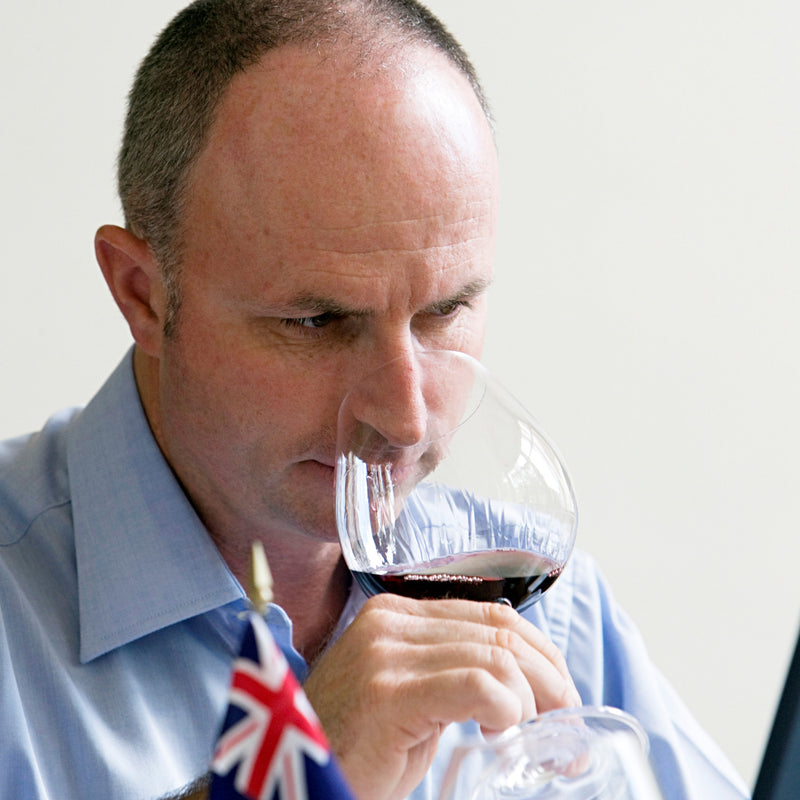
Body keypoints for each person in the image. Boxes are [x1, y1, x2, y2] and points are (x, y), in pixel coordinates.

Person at [0, 2, 749, 799]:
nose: (407, 419)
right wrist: (283, 780)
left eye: (446, 311)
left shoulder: (553, 613)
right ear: (142, 294)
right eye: (318, 321)